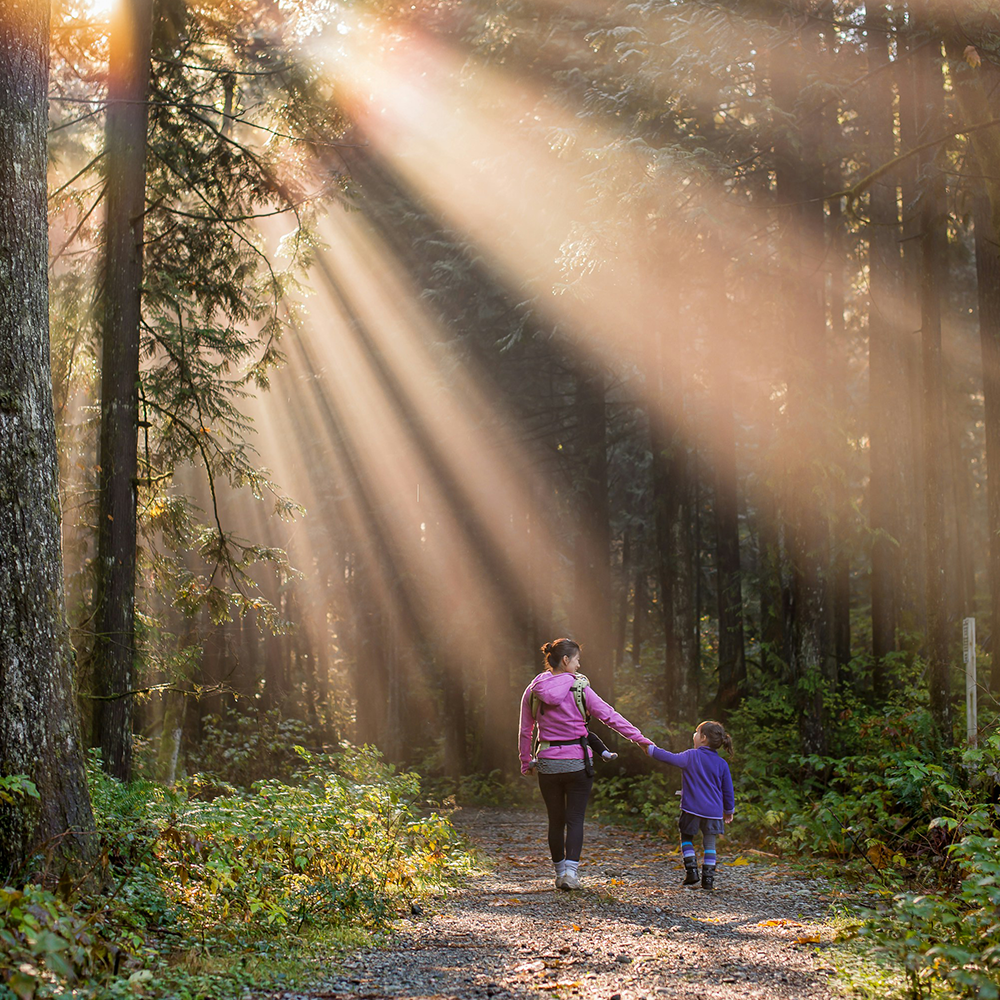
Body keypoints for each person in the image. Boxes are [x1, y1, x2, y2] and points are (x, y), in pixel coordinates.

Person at [519, 637, 652, 891]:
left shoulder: (533, 689)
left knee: (555, 820)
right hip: (578, 763)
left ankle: (559, 874)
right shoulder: (580, 688)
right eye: (577, 660)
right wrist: (640, 740)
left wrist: (526, 762)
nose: (579, 666)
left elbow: (526, 731)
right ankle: (571, 874)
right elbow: (610, 716)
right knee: (575, 819)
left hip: (548, 763)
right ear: (566, 660)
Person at [646, 720, 735, 891]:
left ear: (703, 738)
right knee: (710, 844)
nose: (693, 735)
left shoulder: (691, 756)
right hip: (714, 812)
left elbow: (669, 758)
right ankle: (708, 880)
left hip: (691, 809)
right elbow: (728, 790)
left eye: (696, 732)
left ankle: (692, 871)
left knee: (686, 838)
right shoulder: (722, 764)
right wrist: (728, 810)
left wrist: (650, 749)